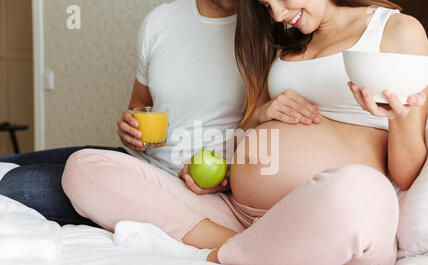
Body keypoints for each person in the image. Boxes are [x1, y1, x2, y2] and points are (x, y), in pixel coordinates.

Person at [62, 0, 428, 265]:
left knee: (359, 190)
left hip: (328, 213)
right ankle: (245, 249)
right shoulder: (288, 40)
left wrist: (399, 120)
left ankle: (208, 255)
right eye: (267, 5)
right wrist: (231, 161)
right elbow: (256, 134)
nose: (277, 14)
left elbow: (407, 175)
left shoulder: (396, 32)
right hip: (238, 215)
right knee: (84, 167)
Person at [0, 0, 250, 227]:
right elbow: (139, 104)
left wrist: (230, 176)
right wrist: (129, 127)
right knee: (8, 162)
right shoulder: (160, 20)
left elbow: (270, 140)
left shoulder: (265, 31)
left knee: (16, 185)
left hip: (178, 186)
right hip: (137, 161)